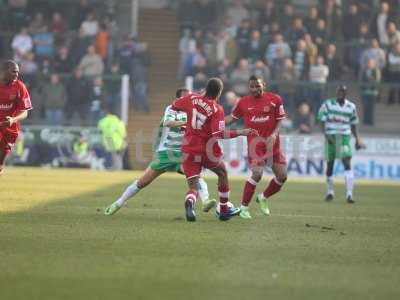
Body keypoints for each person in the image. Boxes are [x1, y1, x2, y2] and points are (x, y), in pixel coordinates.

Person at [104, 88, 219, 216]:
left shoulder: (193, 111)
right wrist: (187, 123)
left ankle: (206, 201)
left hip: (183, 154)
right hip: (166, 153)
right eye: (185, 98)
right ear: (177, 99)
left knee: (197, 178)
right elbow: (167, 122)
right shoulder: (171, 109)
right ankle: (118, 203)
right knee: (143, 182)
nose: (189, 100)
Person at [172, 78, 257, 222]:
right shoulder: (217, 109)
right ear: (219, 93)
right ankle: (223, 209)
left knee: (193, 186)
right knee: (222, 173)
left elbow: (174, 105)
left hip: (188, 149)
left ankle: (190, 203)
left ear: (206, 89)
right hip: (206, 151)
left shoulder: (191, 98)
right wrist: (241, 132)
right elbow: (218, 134)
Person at [225, 75, 287, 219]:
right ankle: (244, 207)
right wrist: (216, 122)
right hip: (255, 146)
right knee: (257, 174)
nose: (254, 89)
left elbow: (280, 120)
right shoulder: (243, 102)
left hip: (273, 145)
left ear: (263, 85)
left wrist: (274, 134)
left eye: (257, 86)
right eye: (251, 86)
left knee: (282, 176)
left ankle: (263, 197)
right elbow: (231, 118)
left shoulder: (275, 99)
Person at [317, 85, 364, 204]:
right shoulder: (328, 104)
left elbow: (353, 125)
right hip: (331, 137)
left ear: (346, 93)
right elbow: (321, 120)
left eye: (343, 91)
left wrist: (357, 139)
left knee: (347, 162)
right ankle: (330, 192)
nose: (340, 93)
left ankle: (349, 194)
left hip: (344, 137)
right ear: (336, 92)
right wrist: (326, 135)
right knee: (330, 166)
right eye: (339, 91)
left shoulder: (351, 107)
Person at [0, 60, 32, 174]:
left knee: (2, 158)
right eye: (14, 71)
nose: (16, 74)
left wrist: (13, 119)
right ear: (4, 71)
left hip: (10, 127)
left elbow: (25, 112)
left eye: (17, 72)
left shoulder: (19, 87)